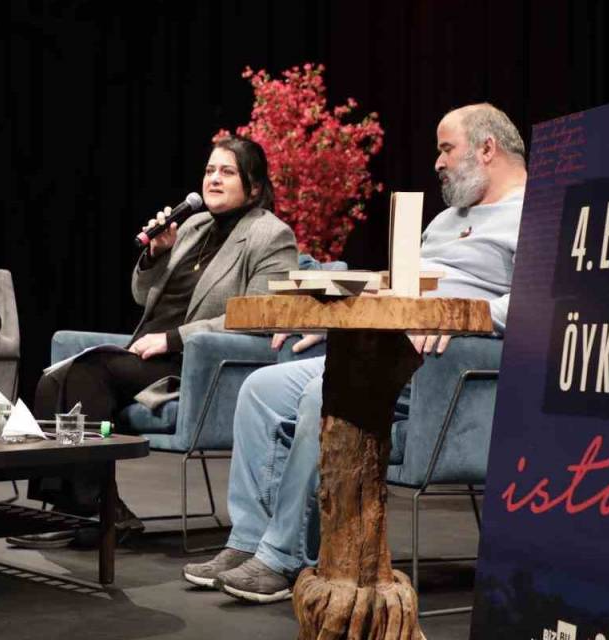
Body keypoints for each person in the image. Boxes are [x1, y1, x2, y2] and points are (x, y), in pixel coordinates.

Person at [182, 103, 527, 603]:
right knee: (260, 389)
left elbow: (537, 303)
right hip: (382, 346)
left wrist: (462, 318)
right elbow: (401, 287)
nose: (438, 161)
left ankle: (283, 559)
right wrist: (343, 318)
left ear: (487, 148)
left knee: (323, 395)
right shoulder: (447, 220)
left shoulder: (533, 213)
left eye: (446, 148)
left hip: (442, 367)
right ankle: (248, 541)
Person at [7, 135, 299, 548]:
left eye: (227, 172)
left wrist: (177, 338)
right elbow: (143, 295)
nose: (213, 179)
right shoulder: (194, 226)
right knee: (54, 378)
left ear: (253, 186)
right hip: (147, 354)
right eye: (210, 170)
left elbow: (262, 316)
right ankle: (87, 507)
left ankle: (88, 509)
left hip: (195, 366)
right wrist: (156, 254)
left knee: (89, 370)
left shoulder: (269, 235)